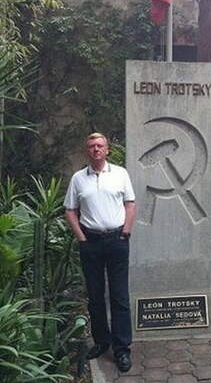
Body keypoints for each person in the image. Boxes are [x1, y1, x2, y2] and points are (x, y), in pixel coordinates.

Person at [64, 132, 136, 372]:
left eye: (100, 145)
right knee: (95, 296)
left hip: (117, 240)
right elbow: (70, 210)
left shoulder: (120, 174)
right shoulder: (78, 179)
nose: (96, 149)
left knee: (119, 296)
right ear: (88, 151)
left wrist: (126, 232)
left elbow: (130, 204)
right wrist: (81, 238)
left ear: (107, 150)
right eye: (92, 146)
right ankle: (102, 342)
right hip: (91, 242)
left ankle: (122, 349)